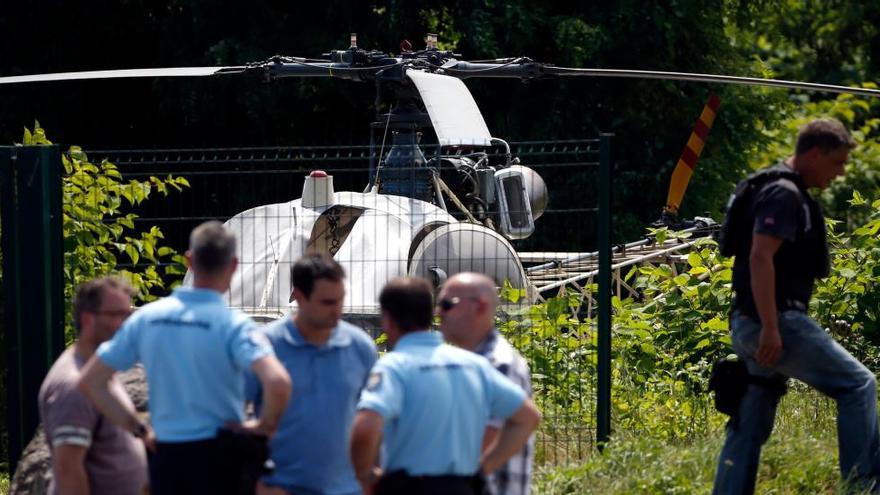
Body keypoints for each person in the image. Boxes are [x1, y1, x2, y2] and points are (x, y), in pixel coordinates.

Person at [712, 119, 880, 493]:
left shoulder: (773, 186)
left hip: (748, 320)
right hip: (774, 322)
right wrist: (771, 327)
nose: (841, 173)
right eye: (837, 163)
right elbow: (759, 257)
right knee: (858, 385)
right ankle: (862, 487)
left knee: (752, 412)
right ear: (815, 153)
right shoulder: (784, 193)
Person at [78, 221, 292, 495]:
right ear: (234, 265)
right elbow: (278, 383)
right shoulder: (235, 326)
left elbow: (92, 381)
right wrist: (262, 427)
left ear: (189, 260)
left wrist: (140, 430)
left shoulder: (147, 318)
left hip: (167, 456)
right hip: (222, 458)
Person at [350, 277, 541, 495]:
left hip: (410, 486)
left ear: (387, 319)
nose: (441, 312)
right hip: (462, 486)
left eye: (447, 305)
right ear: (428, 315)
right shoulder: (475, 365)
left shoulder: (394, 367)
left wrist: (366, 477)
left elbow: (366, 426)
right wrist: (479, 470)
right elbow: (529, 417)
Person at [246, 254, 378, 495]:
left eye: (341, 300)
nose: (338, 310)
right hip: (281, 487)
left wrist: (370, 476)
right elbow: (232, 416)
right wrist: (253, 480)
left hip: (347, 489)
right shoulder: (265, 347)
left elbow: (374, 420)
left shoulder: (361, 348)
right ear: (299, 296)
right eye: (327, 302)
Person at [39, 276, 148, 495]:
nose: (128, 323)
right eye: (118, 315)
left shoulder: (96, 368)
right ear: (88, 319)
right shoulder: (73, 386)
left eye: (129, 314)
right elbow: (68, 469)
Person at [438, 272, 535, 495]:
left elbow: (483, 440)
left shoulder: (498, 364)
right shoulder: (468, 361)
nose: (438, 312)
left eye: (446, 305)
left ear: (480, 307)